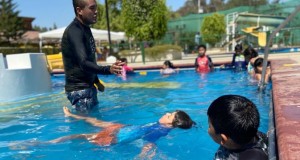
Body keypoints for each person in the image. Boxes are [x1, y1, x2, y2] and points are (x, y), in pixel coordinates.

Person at [50, 106, 195, 158]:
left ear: (171, 123)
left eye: (169, 115)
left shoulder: (160, 130)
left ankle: (43, 143)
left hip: (115, 136)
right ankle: (71, 115)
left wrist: (140, 157)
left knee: (74, 136)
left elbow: (148, 145)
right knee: (94, 120)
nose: (166, 113)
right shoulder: (161, 126)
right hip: (123, 128)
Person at [61, 0, 123, 112]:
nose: (96, 11)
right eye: (92, 8)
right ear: (79, 10)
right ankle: (70, 116)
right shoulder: (74, 31)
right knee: (90, 125)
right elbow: (83, 63)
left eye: (96, 8)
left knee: (95, 122)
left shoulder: (85, 28)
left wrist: (96, 82)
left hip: (88, 88)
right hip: (80, 91)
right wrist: (108, 69)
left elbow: (90, 59)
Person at [207, 95, 268, 160]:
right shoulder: (247, 132)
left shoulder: (254, 157)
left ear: (223, 139)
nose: (208, 129)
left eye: (209, 126)